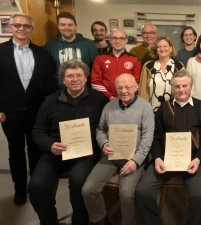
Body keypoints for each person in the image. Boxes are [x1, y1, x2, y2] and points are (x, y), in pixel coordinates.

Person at [28, 60, 108, 225]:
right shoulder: (50, 101)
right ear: (63, 80)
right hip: (55, 151)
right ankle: (49, 220)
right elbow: (37, 131)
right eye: (70, 76)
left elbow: (108, 126)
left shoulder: (99, 99)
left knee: (79, 183)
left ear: (86, 78)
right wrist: (50, 145)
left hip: (85, 153)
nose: (75, 79)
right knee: (36, 186)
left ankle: (79, 220)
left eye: (79, 75)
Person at [136, 70, 201, 225]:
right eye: (177, 86)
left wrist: (198, 159)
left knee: (199, 195)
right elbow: (155, 137)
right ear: (172, 88)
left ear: (191, 87)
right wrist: (157, 159)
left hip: (193, 160)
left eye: (184, 86)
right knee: (143, 192)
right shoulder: (163, 108)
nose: (181, 89)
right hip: (165, 160)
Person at [0, 13, 57, 206]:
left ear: (31, 29)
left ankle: (36, 186)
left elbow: (50, 84)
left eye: (26, 26)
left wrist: (49, 110)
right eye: (17, 25)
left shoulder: (41, 53)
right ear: (10, 27)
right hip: (10, 113)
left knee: (36, 150)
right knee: (15, 151)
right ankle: (19, 188)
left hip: (37, 112)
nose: (21, 29)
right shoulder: (0, 51)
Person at [83, 74, 154, 225]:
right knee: (88, 190)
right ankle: (101, 220)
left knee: (127, 194)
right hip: (110, 156)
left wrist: (136, 161)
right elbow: (100, 130)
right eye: (120, 88)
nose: (124, 91)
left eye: (127, 87)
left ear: (135, 87)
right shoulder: (109, 106)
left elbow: (148, 138)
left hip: (133, 159)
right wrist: (103, 143)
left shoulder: (145, 107)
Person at [45, 12, 98, 89]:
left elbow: (95, 69)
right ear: (58, 27)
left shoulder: (88, 44)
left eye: (70, 25)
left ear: (76, 26)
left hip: (84, 89)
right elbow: (48, 71)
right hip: (59, 90)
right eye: (63, 25)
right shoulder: (50, 45)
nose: (67, 28)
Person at [91, 29, 141, 100]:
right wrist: (109, 96)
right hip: (103, 99)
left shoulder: (134, 59)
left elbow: (137, 82)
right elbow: (95, 82)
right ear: (110, 40)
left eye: (121, 38)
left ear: (126, 40)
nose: (118, 41)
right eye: (114, 38)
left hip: (128, 99)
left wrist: (125, 96)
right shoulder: (100, 58)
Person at [138, 36, 184, 112]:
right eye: (159, 47)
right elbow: (143, 91)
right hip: (152, 111)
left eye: (165, 46)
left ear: (170, 49)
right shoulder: (148, 67)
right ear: (156, 50)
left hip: (173, 111)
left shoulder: (179, 67)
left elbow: (183, 90)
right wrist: (143, 110)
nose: (162, 49)